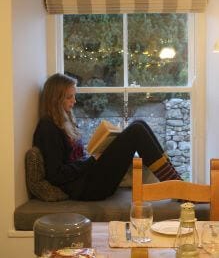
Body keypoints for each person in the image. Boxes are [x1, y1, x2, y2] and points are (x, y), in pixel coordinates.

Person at [33, 73, 182, 201]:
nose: (74, 101)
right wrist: (92, 160)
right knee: (136, 130)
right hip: (87, 188)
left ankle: (177, 184)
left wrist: (96, 153)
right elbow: (56, 175)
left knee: (139, 123)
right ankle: (177, 188)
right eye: (69, 97)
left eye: (74, 96)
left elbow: (73, 160)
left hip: (88, 178)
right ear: (56, 99)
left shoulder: (64, 121)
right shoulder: (48, 128)